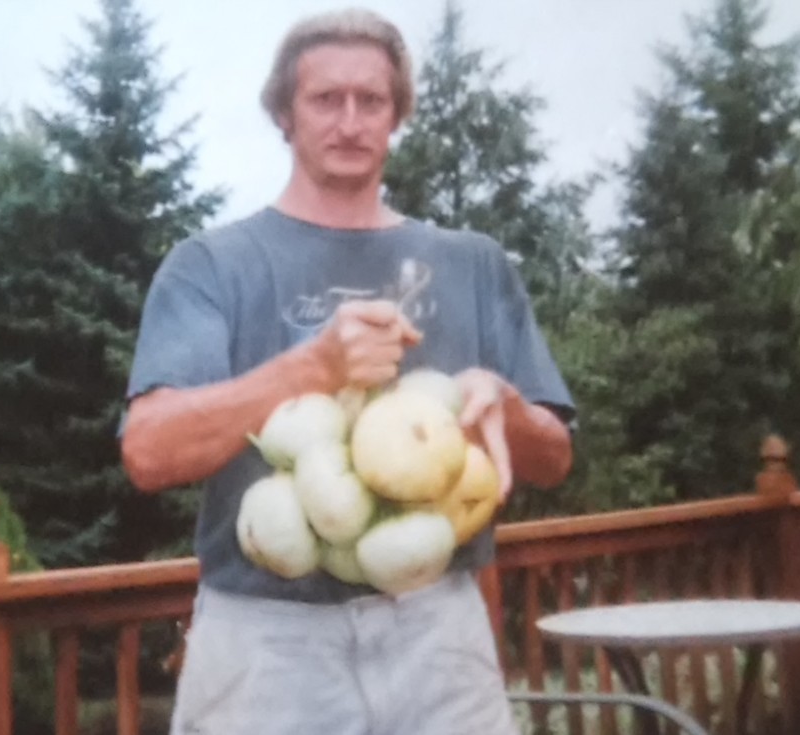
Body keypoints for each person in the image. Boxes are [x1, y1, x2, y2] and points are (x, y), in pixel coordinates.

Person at [121, 8, 574, 735]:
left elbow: (553, 458)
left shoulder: (474, 264)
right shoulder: (212, 265)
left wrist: (508, 405)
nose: (351, 121)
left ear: (397, 116)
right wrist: (313, 367)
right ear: (284, 114)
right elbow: (149, 451)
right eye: (326, 99)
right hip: (266, 642)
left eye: (372, 100)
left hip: (439, 631)